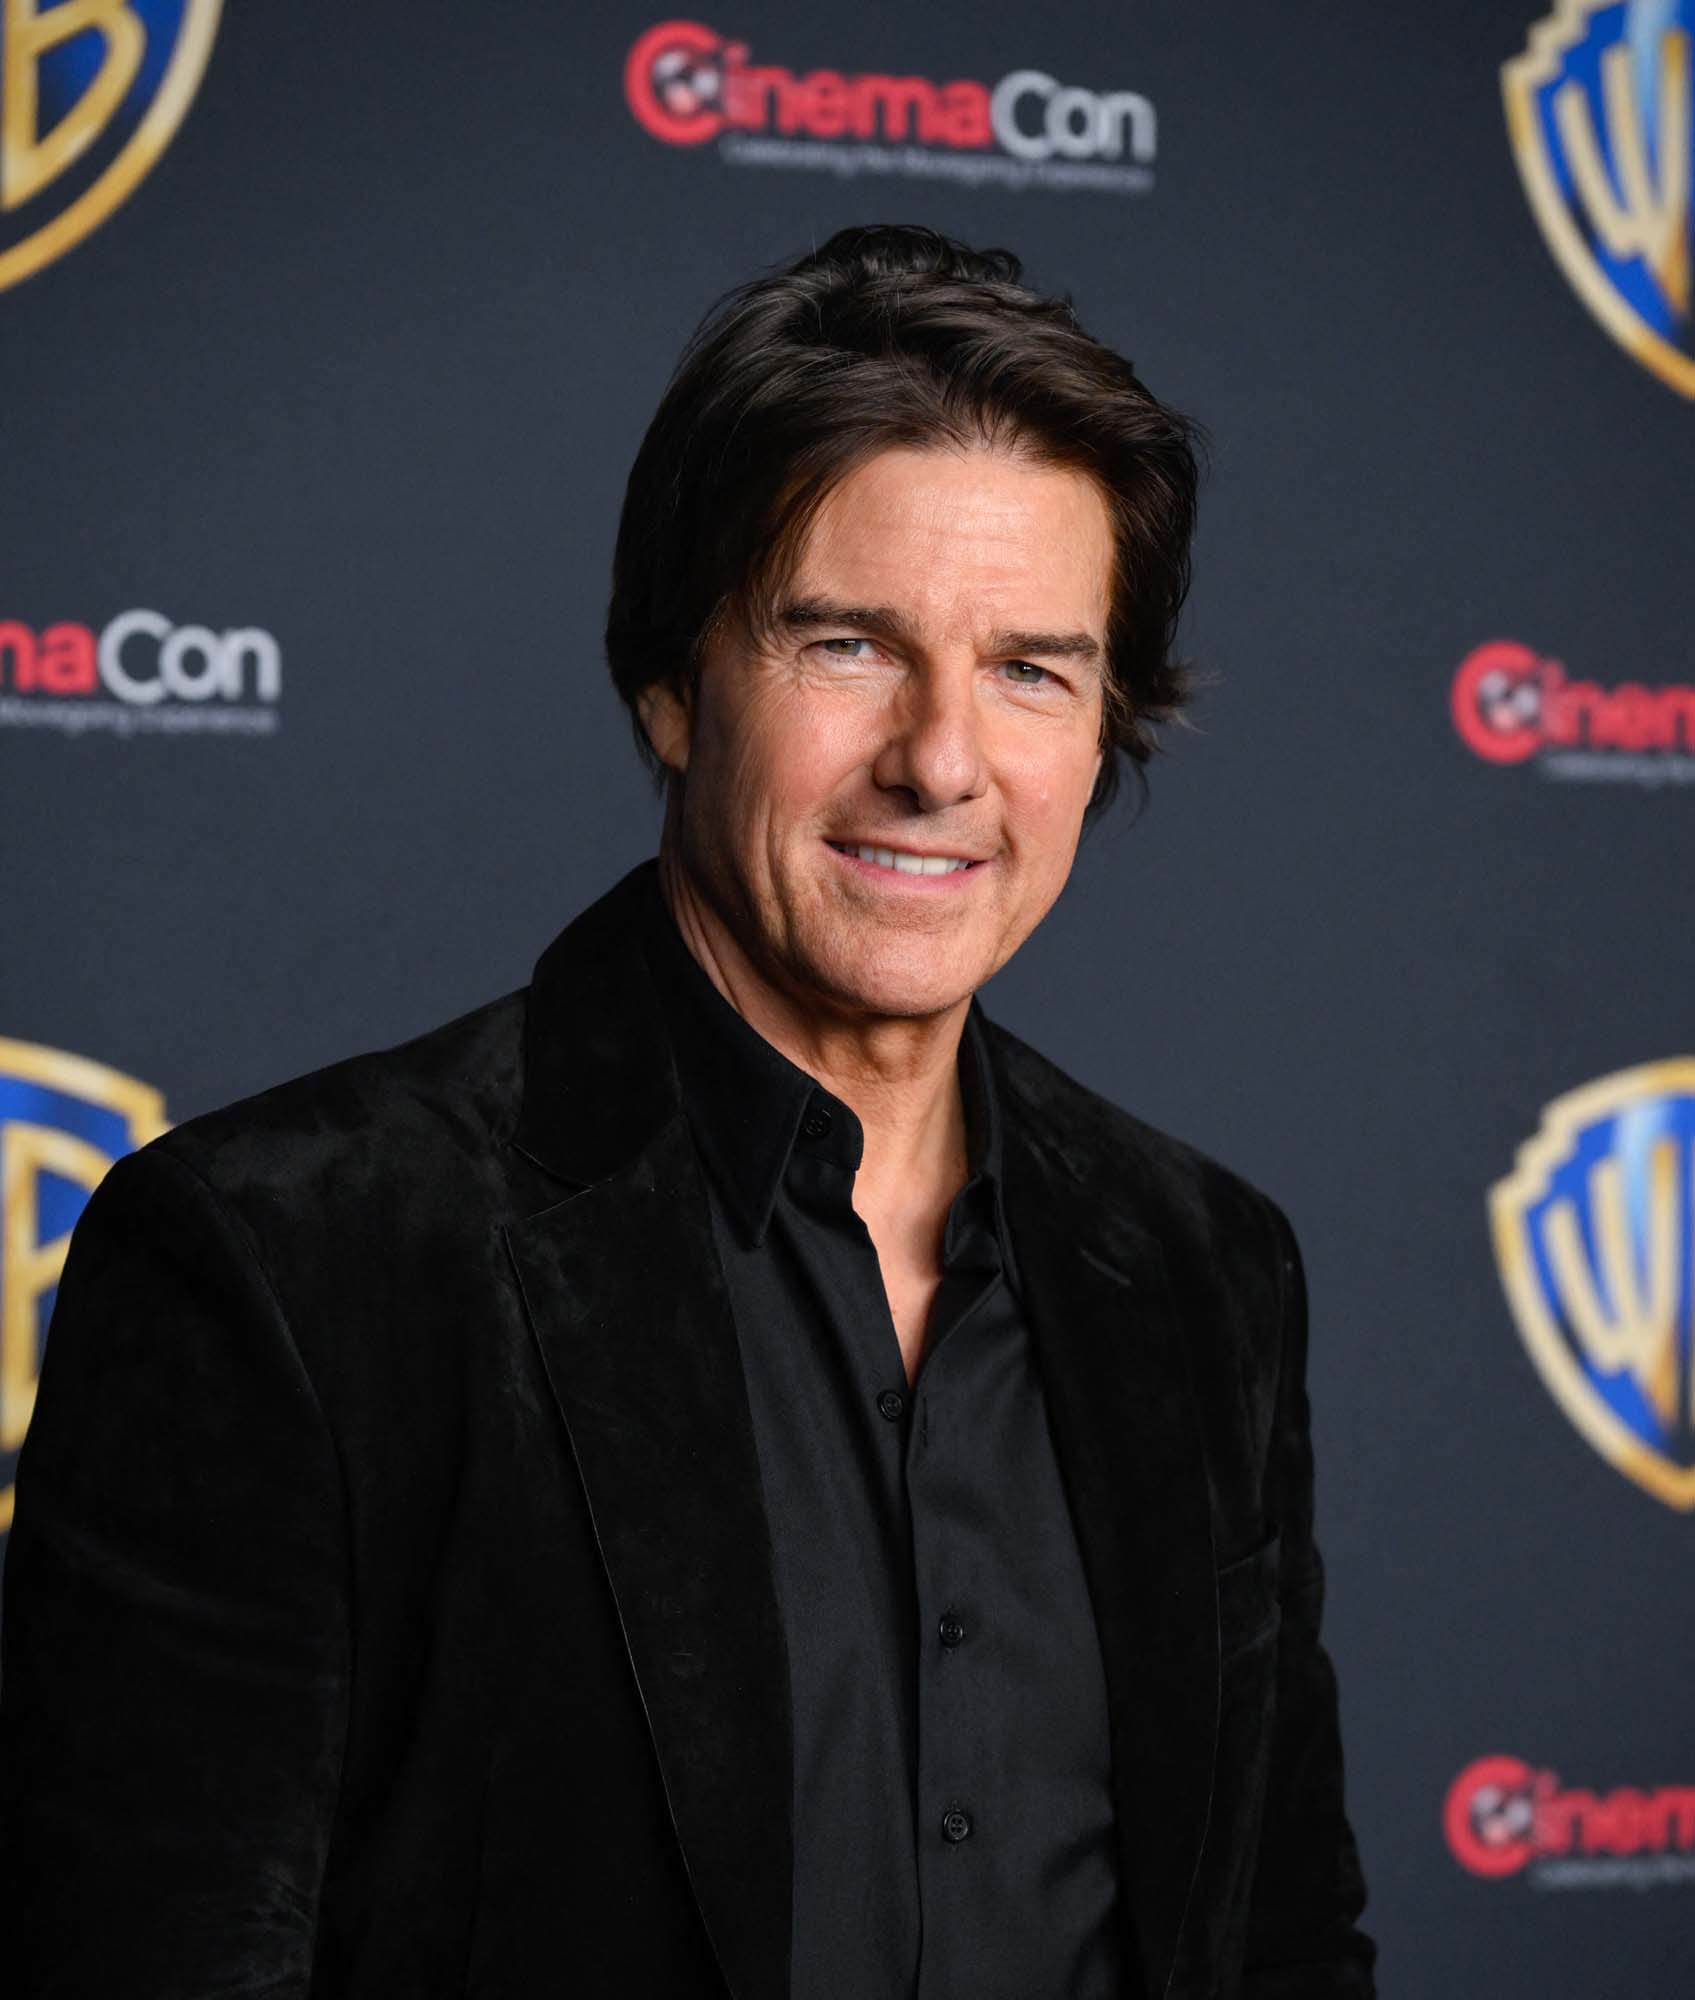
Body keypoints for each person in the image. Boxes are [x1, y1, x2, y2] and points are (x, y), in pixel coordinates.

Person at [0, 224, 1374, 1998]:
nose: (942, 760)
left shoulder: (1206, 1271)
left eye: (1031, 668)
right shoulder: (291, 1265)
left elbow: (1279, 1949)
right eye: (848, 645)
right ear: (671, 684)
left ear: (1107, 724)